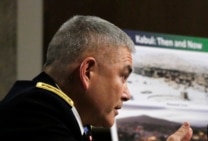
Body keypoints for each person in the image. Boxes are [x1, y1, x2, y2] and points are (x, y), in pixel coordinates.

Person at [0, 15, 193, 141]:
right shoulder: (35, 114)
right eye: (123, 77)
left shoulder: (57, 112)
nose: (127, 94)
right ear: (87, 72)